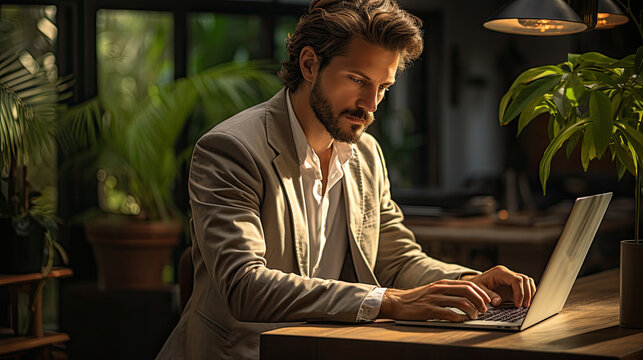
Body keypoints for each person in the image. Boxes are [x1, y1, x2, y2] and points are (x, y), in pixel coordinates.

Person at [157, 0, 536, 359]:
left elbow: (398, 261)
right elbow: (245, 286)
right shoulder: (231, 149)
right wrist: (388, 301)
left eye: (383, 88)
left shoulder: (366, 154)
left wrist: (471, 283)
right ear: (309, 65)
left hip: (324, 348)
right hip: (242, 353)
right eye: (357, 79)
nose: (371, 104)